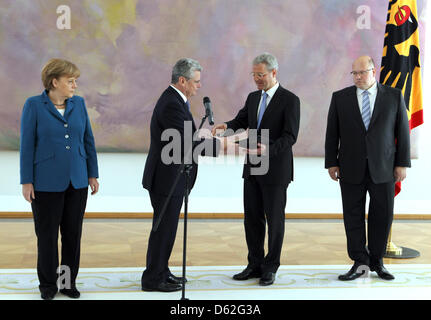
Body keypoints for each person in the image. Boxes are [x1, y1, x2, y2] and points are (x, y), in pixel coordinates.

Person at [141, 58, 232, 292]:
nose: (199, 86)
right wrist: (226, 147)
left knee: (168, 228)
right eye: (196, 81)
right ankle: (153, 279)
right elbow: (187, 144)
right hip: (166, 179)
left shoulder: (176, 100)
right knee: (163, 228)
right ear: (182, 80)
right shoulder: (172, 103)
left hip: (173, 178)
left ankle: (162, 271)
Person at [211, 53, 300, 286]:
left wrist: (267, 150)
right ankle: (254, 264)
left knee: (275, 220)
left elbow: (290, 136)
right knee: (252, 218)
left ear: (274, 73)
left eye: (260, 75)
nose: (257, 79)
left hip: (276, 169)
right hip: (252, 166)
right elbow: (241, 121)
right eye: (254, 75)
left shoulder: (290, 100)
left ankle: (270, 267)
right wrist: (226, 126)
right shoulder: (252, 98)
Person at [324, 56, 411, 281]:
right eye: (354, 73)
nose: (358, 77)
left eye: (362, 72)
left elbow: (403, 132)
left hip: (384, 168)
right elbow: (332, 133)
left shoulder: (393, 96)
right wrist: (331, 162)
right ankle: (359, 261)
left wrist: (402, 163)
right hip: (350, 167)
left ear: (374, 72)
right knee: (352, 215)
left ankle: (377, 261)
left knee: (382, 215)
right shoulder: (340, 98)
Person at [20, 58, 99, 299]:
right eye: (70, 81)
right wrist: (26, 181)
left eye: (76, 81)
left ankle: (67, 283)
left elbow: (88, 140)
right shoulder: (33, 105)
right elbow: (27, 145)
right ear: (54, 82)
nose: (75, 85)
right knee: (47, 236)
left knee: (72, 235)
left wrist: (92, 173)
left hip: (77, 180)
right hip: (45, 183)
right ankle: (48, 286)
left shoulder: (80, 104)